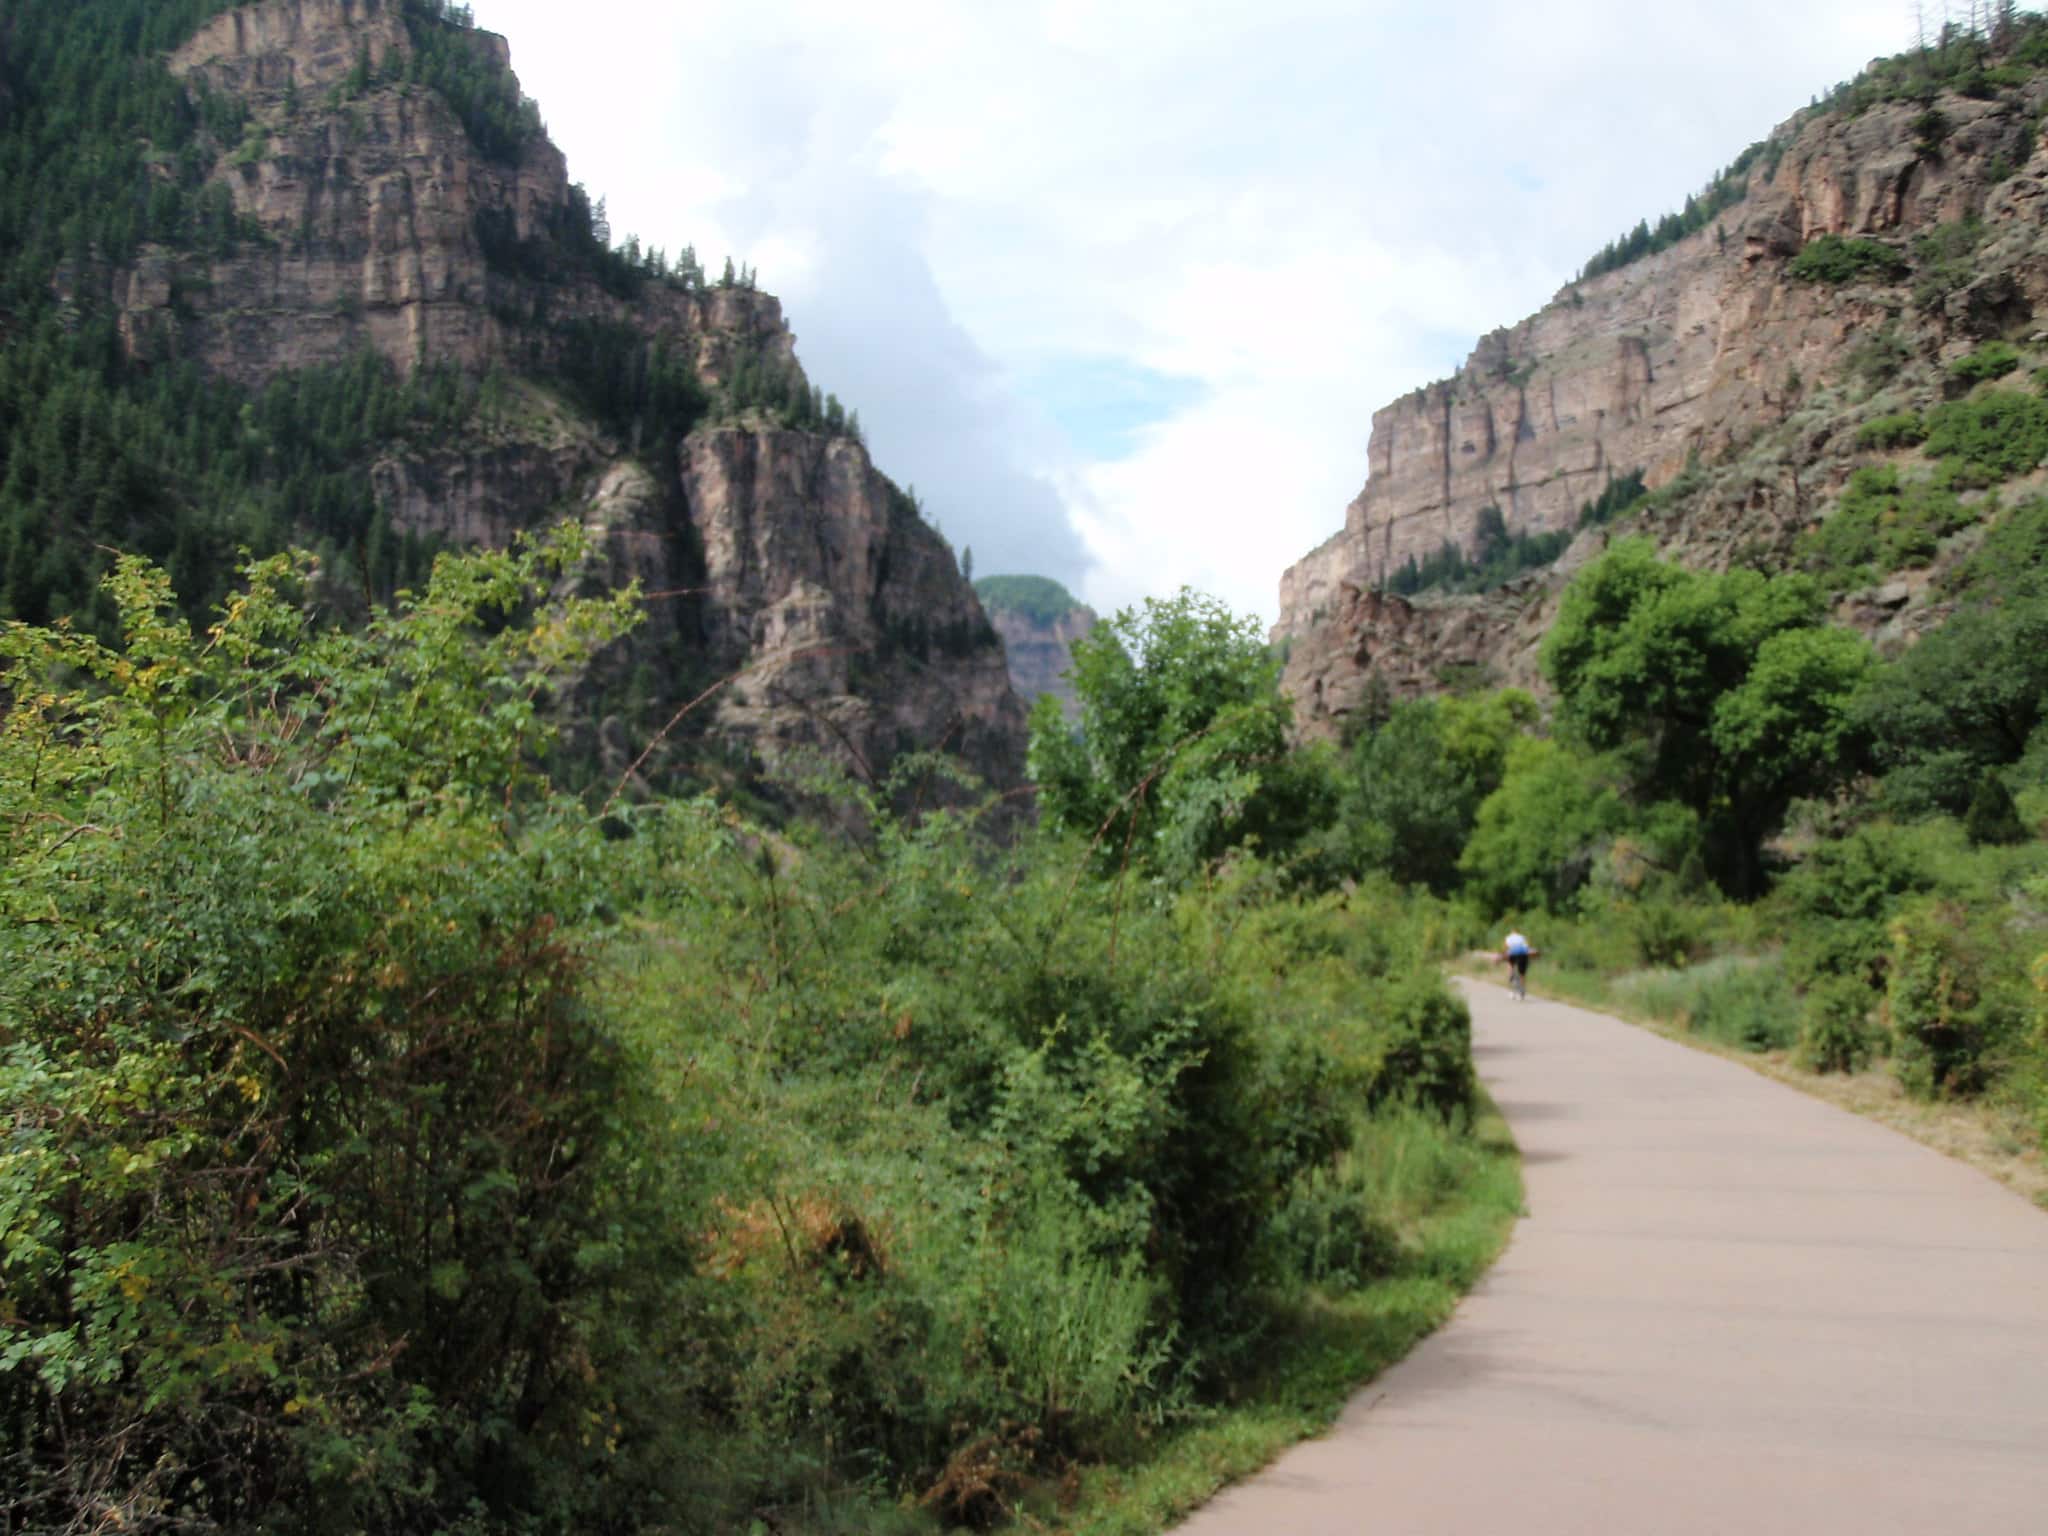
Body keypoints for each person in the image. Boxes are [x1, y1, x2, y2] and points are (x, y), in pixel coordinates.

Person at [1502, 927, 1533, 999]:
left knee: (1510, 969)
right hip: (1522, 954)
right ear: (1518, 932)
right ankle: (1522, 991)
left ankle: (1511, 992)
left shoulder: (1508, 937)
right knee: (1522, 973)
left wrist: (1504, 955)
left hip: (1512, 954)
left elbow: (1505, 947)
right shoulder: (1522, 937)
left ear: (1512, 932)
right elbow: (1527, 946)